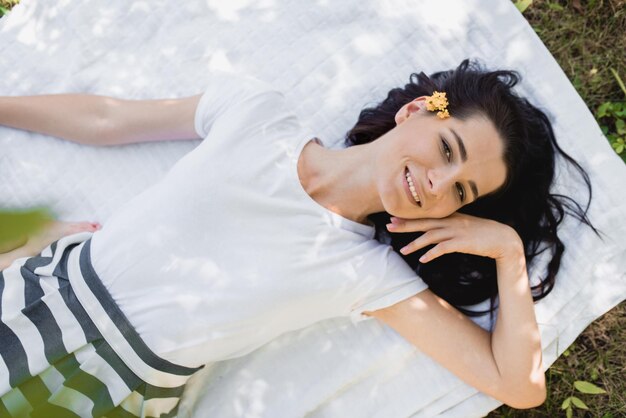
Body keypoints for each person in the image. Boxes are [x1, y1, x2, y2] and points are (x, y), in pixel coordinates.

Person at [0, 59, 595, 417]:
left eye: (462, 192)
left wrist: (509, 253)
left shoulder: (368, 274)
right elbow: (109, 120)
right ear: (417, 110)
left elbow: (517, 385)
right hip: (33, 298)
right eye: (447, 150)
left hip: (103, 392)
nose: (438, 183)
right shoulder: (259, 115)